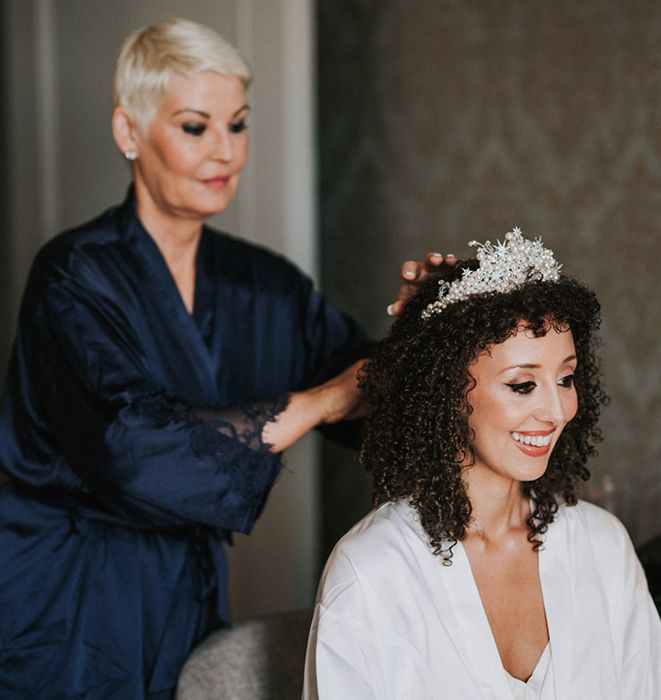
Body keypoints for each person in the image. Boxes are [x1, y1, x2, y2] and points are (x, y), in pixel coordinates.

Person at [0, 17, 443, 699]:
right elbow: (130, 448)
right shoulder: (72, 277)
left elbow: (369, 397)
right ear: (129, 133)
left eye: (237, 125)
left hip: (185, 598)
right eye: (195, 127)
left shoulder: (263, 285)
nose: (225, 153)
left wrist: (425, 323)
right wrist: (319, 401)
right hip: (65, 596)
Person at [303, 229, 661, 699]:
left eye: (565, 378)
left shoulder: (603, 548)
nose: (557, 411)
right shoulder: (372, 572)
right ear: (446, 393)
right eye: (522, 385)